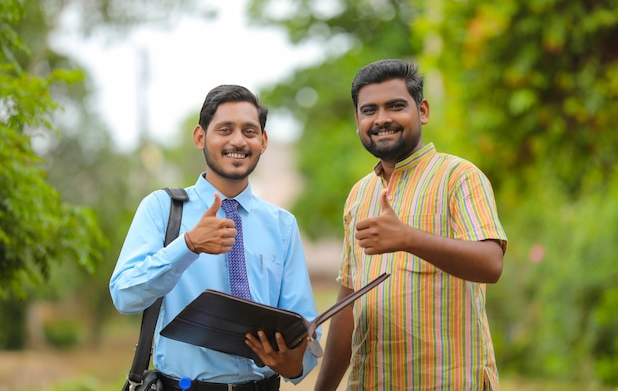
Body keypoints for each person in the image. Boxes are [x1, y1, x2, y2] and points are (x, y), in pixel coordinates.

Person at [314, 59, 508, 391]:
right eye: (369, 110)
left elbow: (491, 264)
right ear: (358, 120)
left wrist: (407, 238)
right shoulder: (360, 195)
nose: (382, 119)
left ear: (423, 111)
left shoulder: (458, 177)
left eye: (396, 106)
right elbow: (347, 306)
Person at [110, 84, 319, 390]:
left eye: (249, 131)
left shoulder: (282, 224)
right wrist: (187, 245)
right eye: (225, 129)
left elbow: (304, 322)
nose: (238, 140)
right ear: (200, 137)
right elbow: (125, 297)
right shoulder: (163, 208)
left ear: (263, 141)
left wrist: (296, 363)